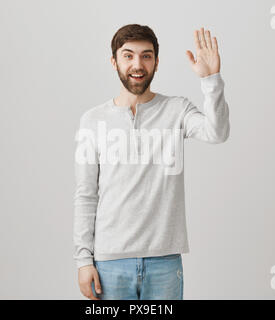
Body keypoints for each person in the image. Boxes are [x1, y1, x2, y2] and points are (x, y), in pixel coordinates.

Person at [73, 24, 230, 300]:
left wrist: (211, 80)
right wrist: (84, 261)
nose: (138, 64)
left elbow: (217, 133)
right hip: (110, 263)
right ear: (114, 61)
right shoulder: (92, 120)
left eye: (146, 56)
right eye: (128, 55)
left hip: (164, 261)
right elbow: (86, 194)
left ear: (157, 62)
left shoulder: (177, 109)